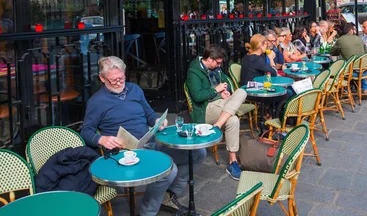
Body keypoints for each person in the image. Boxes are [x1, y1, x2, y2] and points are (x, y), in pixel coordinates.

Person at [81, 56, 206, 216]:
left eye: (121, 78)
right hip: (125, 152)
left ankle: (169, 195)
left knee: (197, 153)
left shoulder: (134, 89)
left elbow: (149, 113)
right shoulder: (96, 101)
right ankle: (147, 212)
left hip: (149, 141)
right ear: (102, 78)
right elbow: (86, 131)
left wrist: (156, 120)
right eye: (113, 80)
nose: (119, 83)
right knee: (169, 170)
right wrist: (102, 139)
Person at [185, 45, 247, 180]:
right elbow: (197, 96)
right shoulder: (193, 72)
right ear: (209, 59)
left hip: (222, 106)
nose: (219, 65)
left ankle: (232, 160)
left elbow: (227, 80)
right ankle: (232, 160)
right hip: (206, 109)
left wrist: (226, 91)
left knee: (240, 96)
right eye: (218, 62)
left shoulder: (216, 69)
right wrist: (216, 90)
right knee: (236, 108)